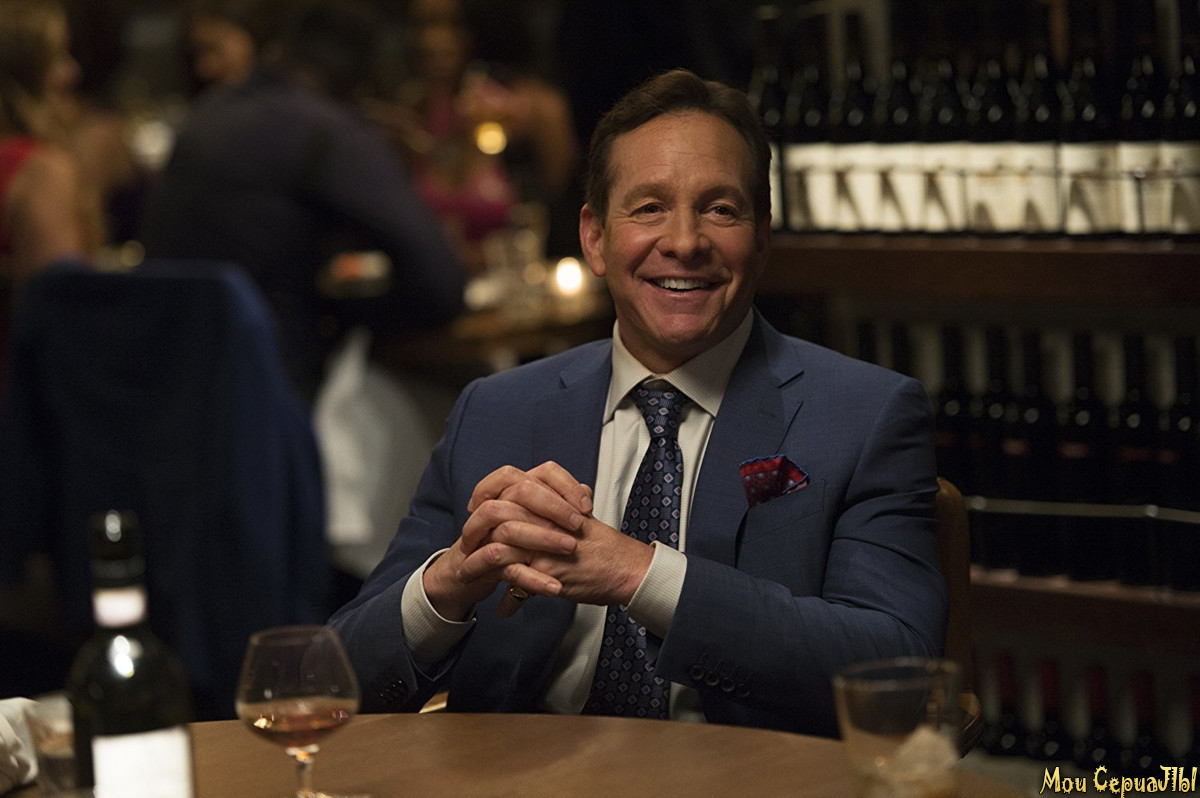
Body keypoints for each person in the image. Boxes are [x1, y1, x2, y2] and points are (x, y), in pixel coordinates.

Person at [328, 68, 947, 737]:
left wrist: (639, 574)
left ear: (762, 238)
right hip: (521, 775)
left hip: (743, 775)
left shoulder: (864, 414)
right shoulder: (497, 409)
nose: (683, 241)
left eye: (720, 209)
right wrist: (448, 584)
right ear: (594, 238)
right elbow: (340, 677)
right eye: (649, 208)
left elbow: (899, 670)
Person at [139, 0, 467, 403]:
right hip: (272, 391)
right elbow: (442, 286)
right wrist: (348, 314)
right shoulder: (324, 130)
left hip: (172, 384)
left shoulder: (207, 115)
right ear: (363, 79)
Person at [0, 0, 103, 394]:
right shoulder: (40, 171)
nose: (71, 71)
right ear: (20, 73)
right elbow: (58, 321)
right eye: (57, 57)